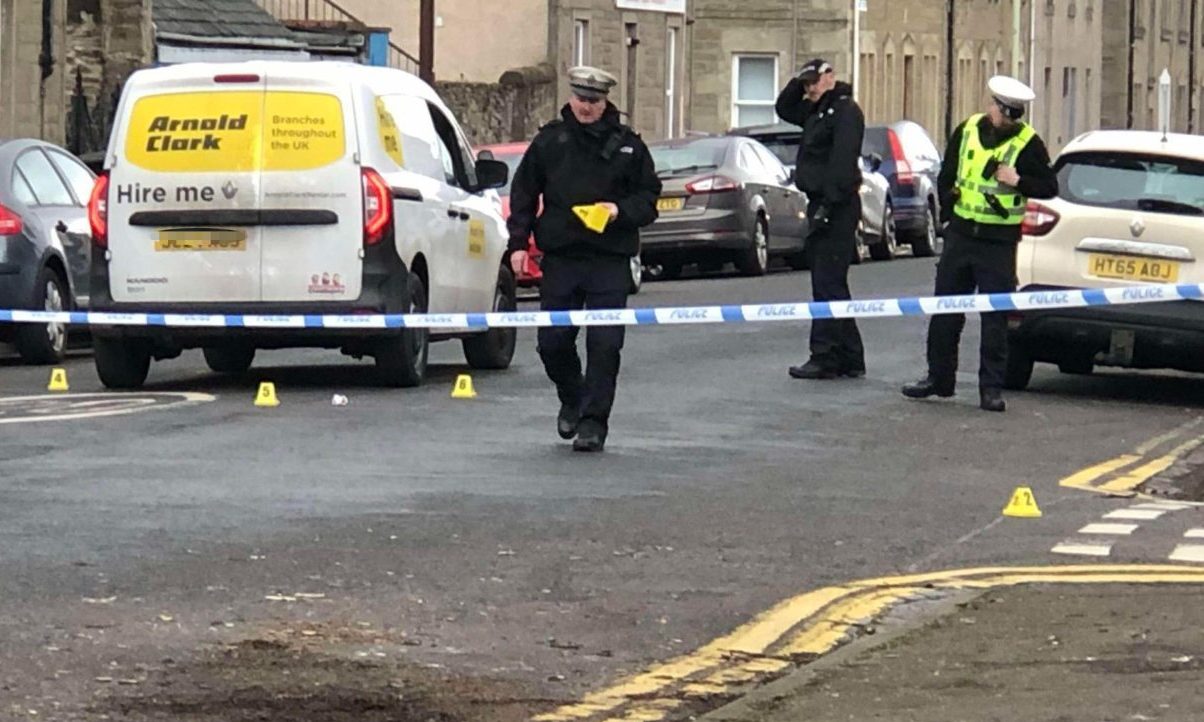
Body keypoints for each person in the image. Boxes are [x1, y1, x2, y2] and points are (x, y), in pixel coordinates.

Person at [506, 66, 662, 452]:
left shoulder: (628, 145)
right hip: (561, 257)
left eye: (593, 101)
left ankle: (594, 422)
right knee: (552, 342)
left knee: (605, 344)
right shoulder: (550, 141)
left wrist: (618, 211)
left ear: (605, 101)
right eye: (580, 99)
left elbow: (648, 200)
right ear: (571, 97)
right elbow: (524, 193)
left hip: (609, 258)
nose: (586, 107)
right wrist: (518, 244)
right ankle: (572, 397)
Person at [902, 75, 1058, 412]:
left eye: (995, 106)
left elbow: (1049, 186)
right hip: (961, 235)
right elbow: (947, 173)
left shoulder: (1029, 143)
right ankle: (938, 379)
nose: (990, 109)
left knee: (994, 319)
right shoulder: (968, 128)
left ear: (1005, 112)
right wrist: (947, 212)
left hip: (998, 243)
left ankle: (991, 389)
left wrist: (1018, 180)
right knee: (945, 311)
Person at [775, 59, 867, 380]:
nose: (810, 89)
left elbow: (842, 163)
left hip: (837, 206)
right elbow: (784, 109)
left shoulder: (844, 112)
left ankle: (825, 354)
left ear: (831, 78)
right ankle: (851, 356)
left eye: (815, 81)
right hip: (821, 203)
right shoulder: (816, 110)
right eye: (806, 84)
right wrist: (796, 80)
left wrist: (829, 207)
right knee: (829, 282)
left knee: (827, 281)